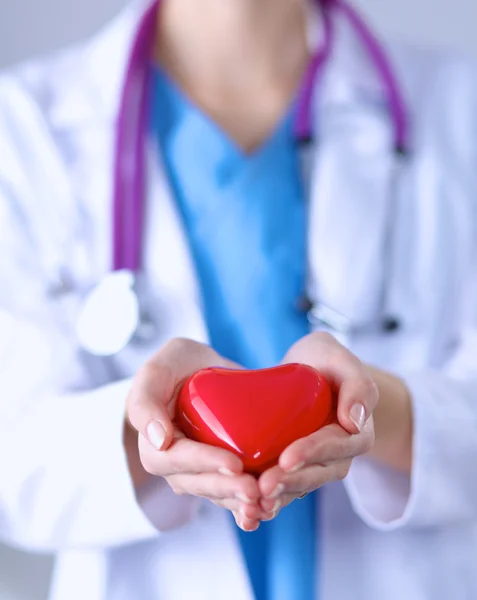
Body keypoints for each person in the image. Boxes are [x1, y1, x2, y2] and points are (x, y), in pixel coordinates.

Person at [0, 0, 476, 598]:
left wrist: (375, 411)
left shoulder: (463, 107)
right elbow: (11, 463)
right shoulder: (19, 129)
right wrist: (150, 424)